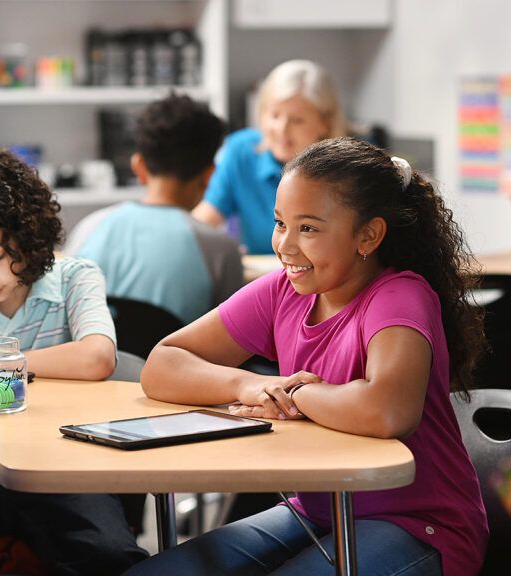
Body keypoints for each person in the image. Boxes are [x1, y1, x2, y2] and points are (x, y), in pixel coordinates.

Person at [125, 137, 489, 576]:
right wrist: (253, 385)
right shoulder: (284, 289)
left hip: (420, 525)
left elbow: (388, 411)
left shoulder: (399, 296)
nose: (286, 246)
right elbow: (163, 363)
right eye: (281, 223)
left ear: (368, 235)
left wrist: (294, 394)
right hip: (322, 510)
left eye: (309, 228)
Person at [0, 144, 149, 576]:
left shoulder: (74, 277)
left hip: (64, 467)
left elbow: (96, 357)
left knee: (112, 557)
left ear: (27, 234)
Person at [65, 93, 243, 325]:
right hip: (177, 361)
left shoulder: (89, 228)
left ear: (138, 167)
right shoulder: (220, 250)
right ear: (210, 174)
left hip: (97, 361)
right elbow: (235, 337)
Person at [193, 59, 345, 254]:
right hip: (262, 279)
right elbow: (205, 218)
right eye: (274, 116)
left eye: (297, 121)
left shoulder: (351, 164)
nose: (281, 130)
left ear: (326, 122)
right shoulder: (241, 150)